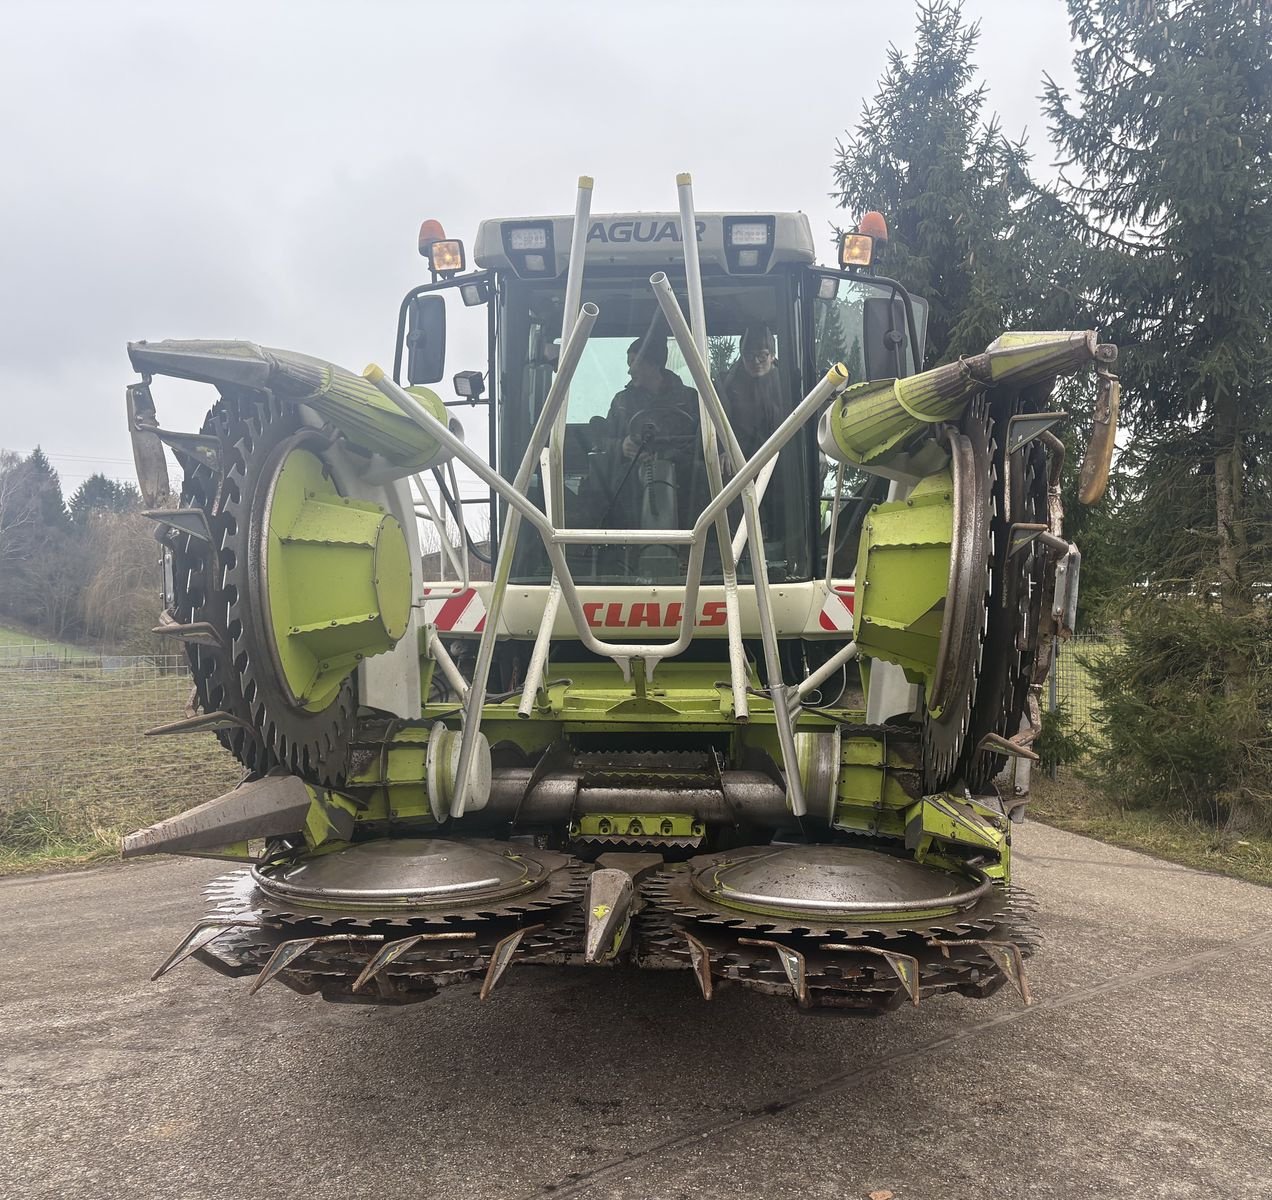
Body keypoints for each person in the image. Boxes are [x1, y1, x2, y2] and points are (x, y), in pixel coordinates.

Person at [718, 324, 785, 462]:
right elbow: (718, 422)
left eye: (762, 355)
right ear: (741, 358)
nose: (755, 361)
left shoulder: (788, 385)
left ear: (772, 356)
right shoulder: (728, 387)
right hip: (740, 464)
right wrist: (723, 450)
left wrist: (819, 451)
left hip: (783, 460)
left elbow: (806, 417)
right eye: (749, 356)